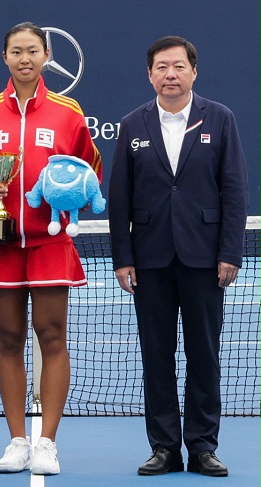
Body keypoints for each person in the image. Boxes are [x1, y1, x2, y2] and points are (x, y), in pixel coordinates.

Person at [0, 22, 102, 475]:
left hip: (50, 242)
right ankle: (18, 440)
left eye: (33, 51)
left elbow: (90, 168)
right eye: (17, 51)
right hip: (1, 242)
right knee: (9, 339)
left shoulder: (68, 112)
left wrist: (71, 198)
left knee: (52, 336)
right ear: (5, 57)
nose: (25, 59)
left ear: (45, 56)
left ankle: (47, 443)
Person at [108, 36, 248, 477]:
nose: (171, 74)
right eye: (162, 67)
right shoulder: (132, 124)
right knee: (157, 357)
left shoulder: (220, 119)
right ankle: (165, 447)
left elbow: (234, 191)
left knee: (204, 355)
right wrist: (122, 257)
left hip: (205, 260)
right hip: (149, 260)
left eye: (179, 66)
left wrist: (229, 252)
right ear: (150, 74)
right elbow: (120, 197)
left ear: (193, 72)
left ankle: (203, 446)